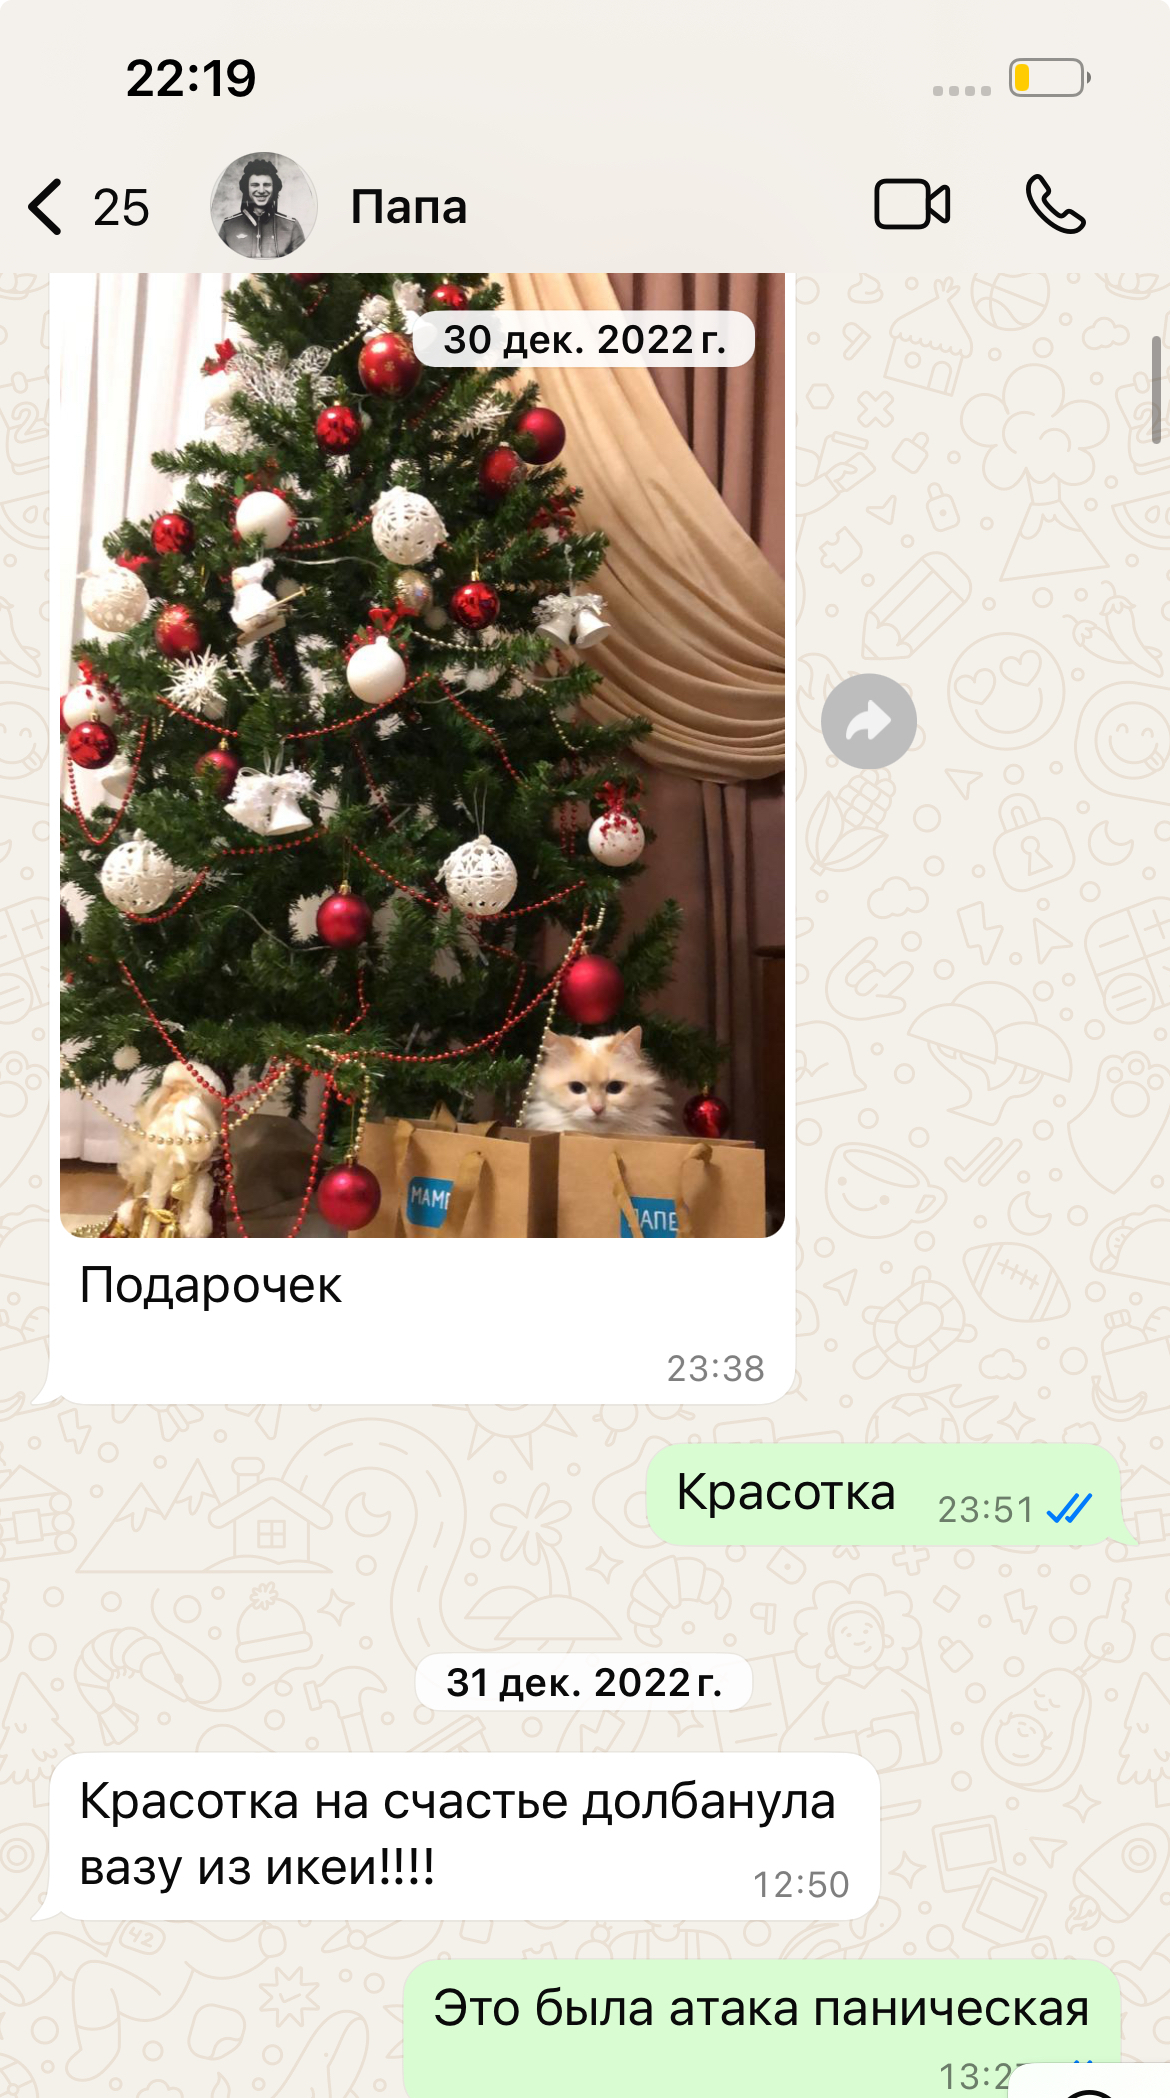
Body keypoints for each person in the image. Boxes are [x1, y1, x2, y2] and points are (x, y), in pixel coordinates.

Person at [218, 158, 304, 258]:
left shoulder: (291, 226)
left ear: (274, 189)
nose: (261, 190)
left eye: (267, 185)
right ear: (246, 189)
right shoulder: (228, 226)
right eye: (255, 185)